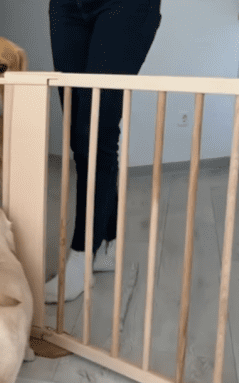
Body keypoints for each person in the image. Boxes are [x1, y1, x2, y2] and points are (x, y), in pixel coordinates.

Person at [44, 0, 162, 302]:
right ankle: (107, 243)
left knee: (95, 131)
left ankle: (82, 255)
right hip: (66, 6)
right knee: (78, 134)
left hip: (125, 6)